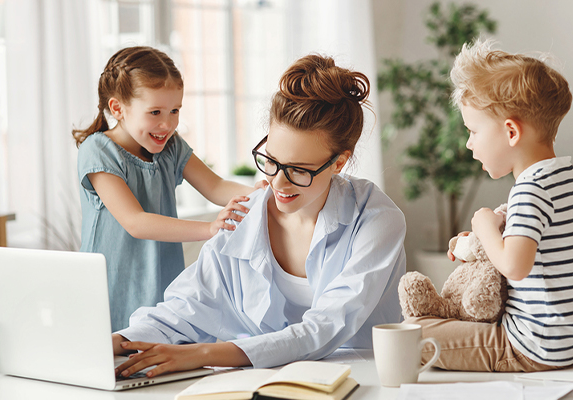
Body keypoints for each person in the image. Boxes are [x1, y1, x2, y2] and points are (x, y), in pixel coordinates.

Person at [111, 54, 406, 378]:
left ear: (338, 163)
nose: (276, 183)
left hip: (365, 380)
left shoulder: (377, 221)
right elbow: (188, 305)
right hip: (268, 381)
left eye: (298, 170)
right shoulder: (245, 215)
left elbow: (326, 327)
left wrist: (203, 354)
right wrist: (117, 342)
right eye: (271, 160)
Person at [407, 39, 573, 372]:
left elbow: (514, 267)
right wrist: (490, 239)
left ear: (511, 131)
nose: (469, 143)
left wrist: (484, 225)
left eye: (473, 131)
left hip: (532, 345)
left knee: (413, 335)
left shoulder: (530, 189)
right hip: (565, 339)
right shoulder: (563, 177)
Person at [74, 46, 264, 332]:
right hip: (112, 288)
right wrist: (209, 229)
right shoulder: (98, 151)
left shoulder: (171, 147)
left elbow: (216, 186)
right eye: (155, 112)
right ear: (118, 109)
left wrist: (262, 193)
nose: (168, 123)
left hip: (162, 286)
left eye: (175, 110)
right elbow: (136, 222)